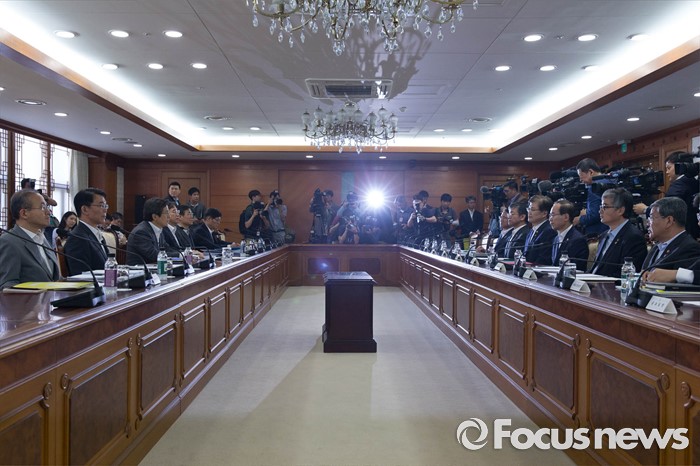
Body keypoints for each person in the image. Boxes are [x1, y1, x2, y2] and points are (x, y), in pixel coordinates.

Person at [0, 190, 61, 289]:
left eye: (47, 207)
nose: (48, 212)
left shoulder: (42, 238)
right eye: (42, 207)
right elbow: (6, 285)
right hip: (30, 299)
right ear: (24, 213)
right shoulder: (9, 241)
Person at [633, 151, 699, 239]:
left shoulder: (678, 186)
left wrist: (645, 209)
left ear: (681, 166)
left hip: (681, 234)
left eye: (669, 168)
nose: (667, 172)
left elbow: (668, 211)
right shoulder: (695, 182)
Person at [588, 188, 647, 277]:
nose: (600, 211)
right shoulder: (604, 235)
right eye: (601, 206)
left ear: (620, 210)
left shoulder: (633, 237)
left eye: (605, 207)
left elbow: (626, 275)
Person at [639, 196, 700, 271]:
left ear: (669, 221)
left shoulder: (690, 248)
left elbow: (681, 278)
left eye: (651, 218)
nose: (648, 224)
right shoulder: (657, 246)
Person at [64, 188, 110, 275]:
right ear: (85, 209)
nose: (105, 210)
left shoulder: (95, 234)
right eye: (101, 206)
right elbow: (80, 275)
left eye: (105, 206)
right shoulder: (77, 238)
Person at [126, 197, 181, 265]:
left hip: (155, 268)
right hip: (139, 270)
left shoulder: (158, 229)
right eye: (166, 213)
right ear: (155, 217)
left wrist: (183, 254)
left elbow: (167, 249)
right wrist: (180, 256)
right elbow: (154, 255)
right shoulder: (141, 232)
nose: (169, 217)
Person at [573, 158, 610, 238]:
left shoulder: (594, 188)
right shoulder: (610, 181)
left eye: (581, 176)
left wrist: (579, 219)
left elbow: (594, 215)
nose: (580, 180)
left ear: (591, 172)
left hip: (597, 233)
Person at [549, 199, 589, 270]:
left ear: (566, 217)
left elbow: (577, 268)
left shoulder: (577, 240)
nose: (550, 219)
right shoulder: (556, 239)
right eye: (550, 215)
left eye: (553, 215)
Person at [524, 195, 557, 265]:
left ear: (544, 213)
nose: (529, 212)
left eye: (533, 210)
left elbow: (544, 259)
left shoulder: (549, 231)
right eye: (528, 209)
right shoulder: (531, 230)